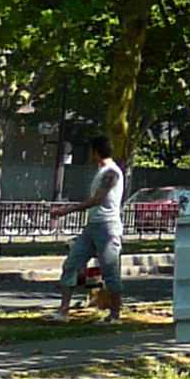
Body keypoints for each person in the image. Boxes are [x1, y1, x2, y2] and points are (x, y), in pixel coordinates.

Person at [57, 135, 128, 320]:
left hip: (107, 227)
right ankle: (63, 311)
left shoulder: (112, 173)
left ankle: (115, 315)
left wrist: (67, 210)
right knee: (71, 265)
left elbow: (98, 199)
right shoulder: (102, 171)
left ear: (95, 152)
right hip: (91, 227)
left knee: (109, 270)